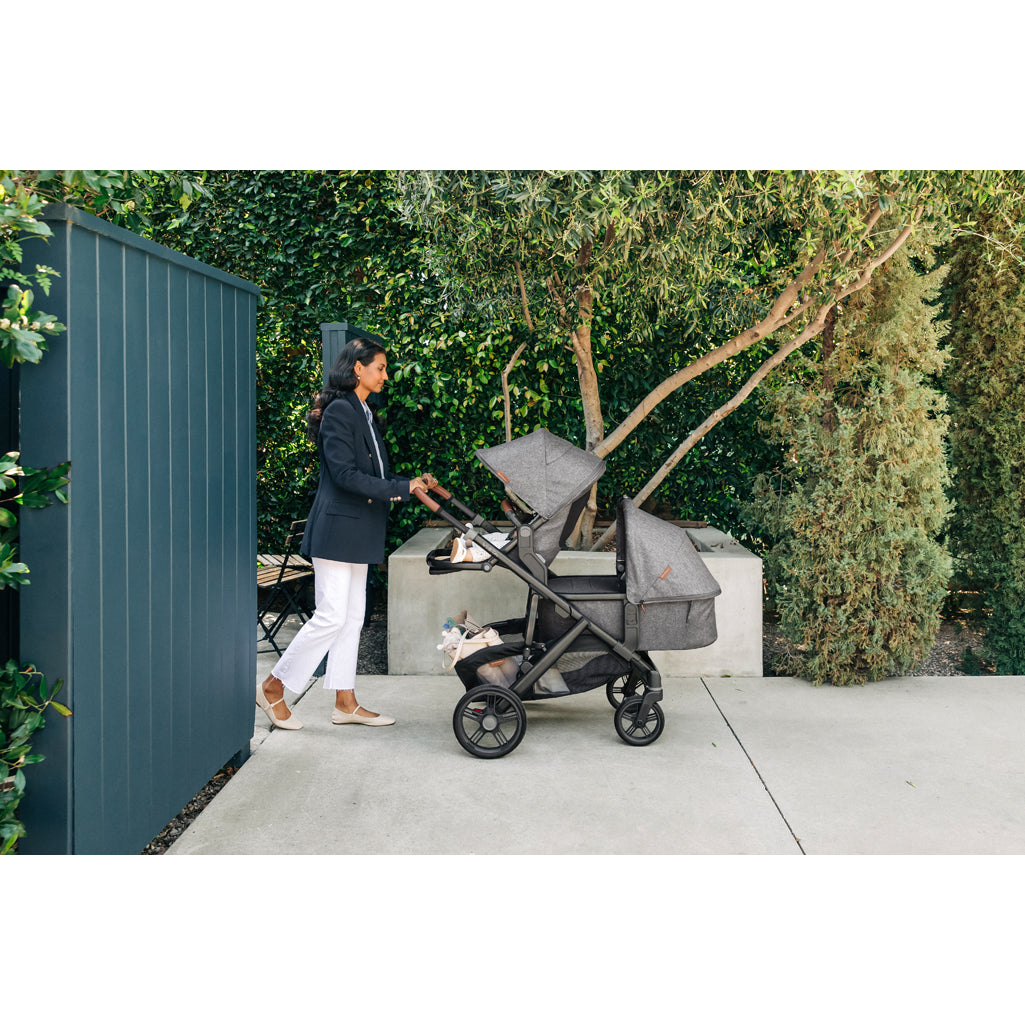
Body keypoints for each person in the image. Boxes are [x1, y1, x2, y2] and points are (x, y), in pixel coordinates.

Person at [257, 337, 432, 730]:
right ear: (358, 368)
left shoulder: (365, 411)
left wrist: (411, 483)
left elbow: (376, 474)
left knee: (352, 618)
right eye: (380, 368)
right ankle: (272, 687)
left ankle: (345, 702)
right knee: (332, 616)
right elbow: (345, 475)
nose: (385, 376)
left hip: (358, 531)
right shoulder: (340, 410)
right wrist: (401, 488)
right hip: (338, 529)